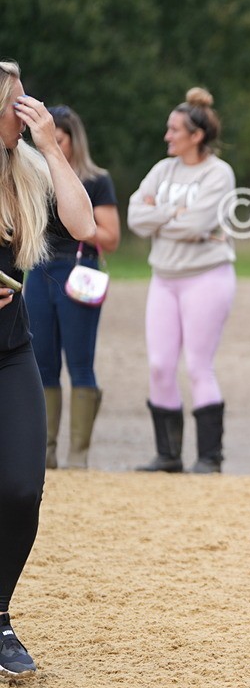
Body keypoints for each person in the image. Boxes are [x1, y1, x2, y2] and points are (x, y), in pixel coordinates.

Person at [0, 60, 97, 679]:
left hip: (10, 350)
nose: (26, 104)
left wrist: (52, 148)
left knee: (21, 490)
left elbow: (85, 225)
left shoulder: (25, 168)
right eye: (17, 99)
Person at [127, 88, 235, 474]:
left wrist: (164, 215)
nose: (167, 136)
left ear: (197, 135)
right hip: (164, 278)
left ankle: (209, 457)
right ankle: (168, 454)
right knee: (159, 365)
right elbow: (135, 217)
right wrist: (176, 213)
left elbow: (198, 224)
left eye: (174, 130)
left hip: (206, 277)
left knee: (198, 366)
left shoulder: (218, 173)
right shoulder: (163, 169)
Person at [25, 106, 121, 470]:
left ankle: (78, 454)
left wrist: (79, 217)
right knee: (42, 364)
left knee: (80, 363)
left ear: (72, 140)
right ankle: (46, 452)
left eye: (58, 138)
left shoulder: (96, 181)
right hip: (40, 270)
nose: (50, 143)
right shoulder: (35, 175)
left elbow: (111, 238)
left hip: (79, 271)